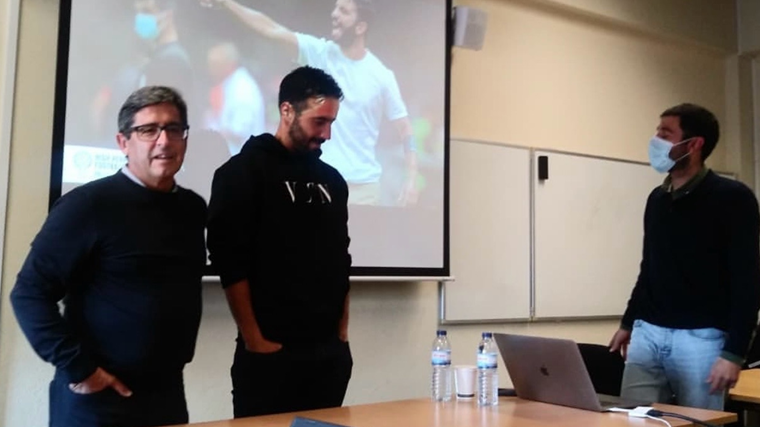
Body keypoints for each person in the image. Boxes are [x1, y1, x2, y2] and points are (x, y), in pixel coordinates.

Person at [10, 86, 207, 427]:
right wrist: (81, 370)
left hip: (167, 394)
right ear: (123, 142)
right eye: (148, 130)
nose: (163, 141)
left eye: (174, 129)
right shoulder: (88, 205)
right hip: (98, 400)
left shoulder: (191, 208)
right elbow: (28, 293)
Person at [207, 66, 352, 418]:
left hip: (328, 356)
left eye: (332, 122)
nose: (327, 134)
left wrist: (341, 336)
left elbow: (341, 259)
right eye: (319, 121)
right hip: (270, 355)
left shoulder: (332, 181)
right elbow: (231, 263)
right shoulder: (241, 173)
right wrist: (255, 339)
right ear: (287, 110)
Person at [608, 103, 760, 410]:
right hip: (648, 332)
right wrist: (627, 323)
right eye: (657, 132)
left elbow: (748, 278)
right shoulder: (657, 199)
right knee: (631, 419)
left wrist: (734, 353)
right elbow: (648, 267)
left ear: (694, 144)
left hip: (701, 340)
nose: (656, 140)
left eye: (666, 133)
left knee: (698, 421)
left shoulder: (733, 198)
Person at [201, 0, 418, 206]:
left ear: (360, 27)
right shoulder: (320, 53)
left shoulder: (381, 75)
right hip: (319, 183)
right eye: (335, 8)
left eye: (343, 11)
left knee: (362, 246)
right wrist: (227, 3)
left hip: (364, 191)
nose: (334, 14)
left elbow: (405, 130)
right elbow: (271, 29)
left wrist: (411, 179)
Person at [91, 0, 195, 138]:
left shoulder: (172, 61)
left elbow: (159, 119)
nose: (140, 18)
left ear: (168, 15)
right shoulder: (151, 58)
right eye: (138, 12)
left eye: (146, 11)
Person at [205, 41, 267, 155]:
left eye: (215, 64)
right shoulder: (229, 85)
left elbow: (238, 131)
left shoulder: (242, 89)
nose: (210, 70)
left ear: (230, 64)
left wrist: (209, 133)